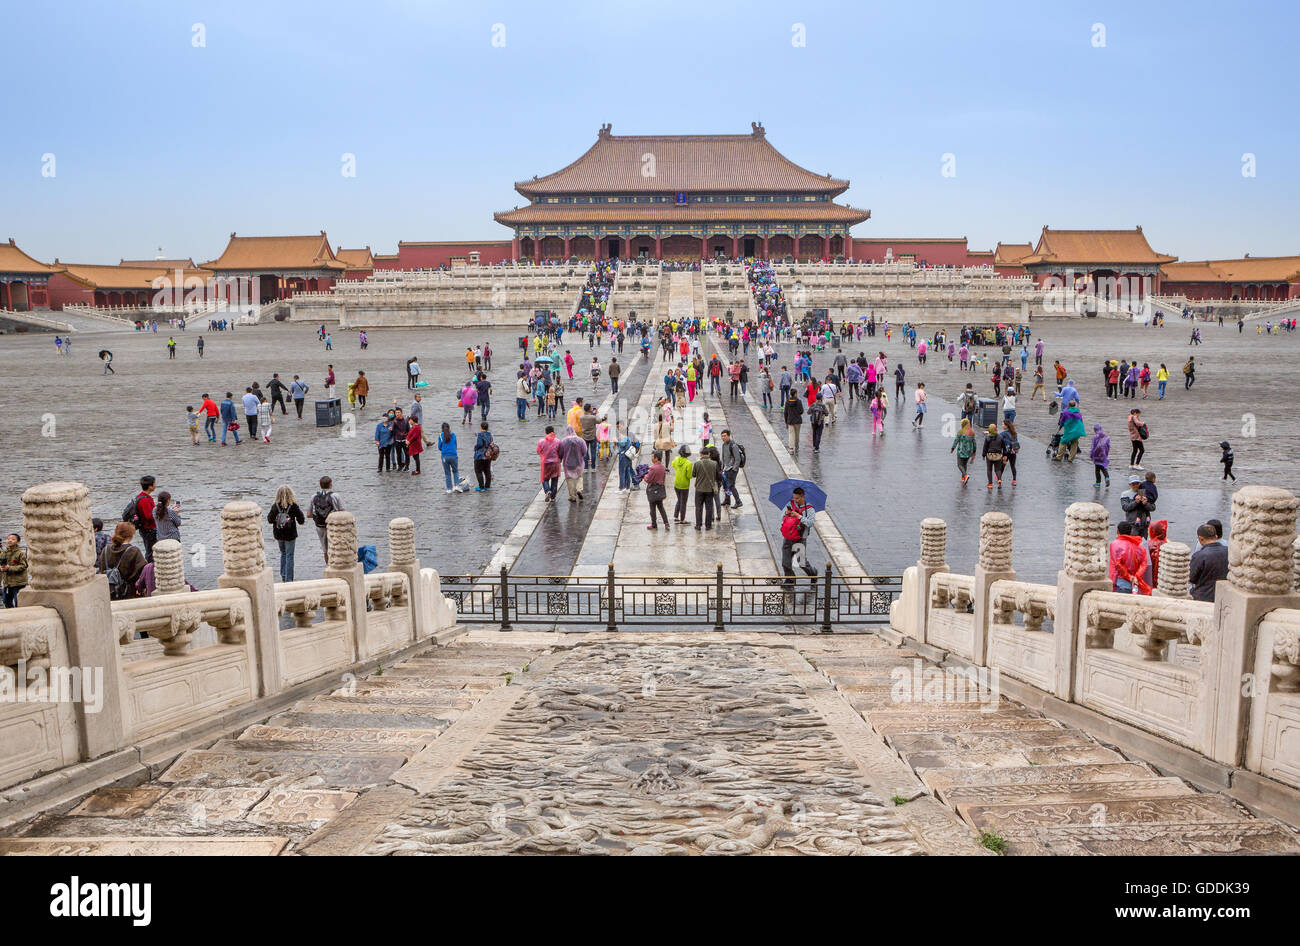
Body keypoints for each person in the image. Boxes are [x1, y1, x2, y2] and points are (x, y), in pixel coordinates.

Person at [779, 487, 819, 594]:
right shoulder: (790, 504)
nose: (795, 500)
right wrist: (787, 514)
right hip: (788, 537)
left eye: (797, 498)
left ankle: (813, 573)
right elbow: (782, 517)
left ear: (803, 496)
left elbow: (810, 523)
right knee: (785, 561)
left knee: (801, 562)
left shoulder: (810, 509)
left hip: (800, 539)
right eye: (794, 498)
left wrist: (799, 516)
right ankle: (790, 579)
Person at [267, 486, 305, 582]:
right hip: (290, 534)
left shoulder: (275, 506)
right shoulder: (293, 506)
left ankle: (283, 575)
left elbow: (269, 520)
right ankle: (289, 579)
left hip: (279, 534)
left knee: (283, 553)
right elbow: (301, 520)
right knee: (289, 555)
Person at [101, 523, 146, 600]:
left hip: (109, 590)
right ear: (131, 535)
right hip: (129, 591)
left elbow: (102, 568)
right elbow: (142, 572)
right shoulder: (134, 551)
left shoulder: (106, 550)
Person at [1108, 522, 1152, 594]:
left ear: (1117, 532)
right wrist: (1136, 576)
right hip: (1135, 583)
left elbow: (1116, 565)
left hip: (1120, 583)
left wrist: (1129, 577)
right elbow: (1144, 564)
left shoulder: (1114, 544)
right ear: (1131, 532)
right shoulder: (1140, 547)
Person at [1189, 523, 1229, 602]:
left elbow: (1191, 578)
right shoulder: (1229, 551)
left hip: (1203, 597)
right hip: (1225, 596)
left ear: (1200, 539)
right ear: (1216, 537)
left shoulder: (1199, 555)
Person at [692, 447, 719, 531]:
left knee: (698, 508)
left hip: (699, 489)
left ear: (701, 454)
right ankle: (708, 526)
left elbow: (693, 475)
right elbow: (717, 476)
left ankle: (698, 525)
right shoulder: (714, 464)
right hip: (709, 489)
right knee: (709, 508)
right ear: (709, 454)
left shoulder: (697, 464)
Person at [558, 425, 588, 502]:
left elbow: (560, 452)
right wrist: (582, 455)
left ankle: (572, 496)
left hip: (568, 463)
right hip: (579, 462)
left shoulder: (563, 441)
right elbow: (584, 450)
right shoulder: (580, 440)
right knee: (579, 477)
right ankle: (579, 489)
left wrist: (560, 458)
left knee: (569, 478)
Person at [437, 422, 469, 493]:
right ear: (449, 428)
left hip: (445, 456)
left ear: (442, 429)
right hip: (454, 455)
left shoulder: (441, 436)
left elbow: (439, 447)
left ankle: (449, 489)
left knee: (447, 473)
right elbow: (455, 445)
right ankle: (457, 486)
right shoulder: (453, 435)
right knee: (455, 471)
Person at [0, 533, 28, 608]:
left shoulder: (20, 553)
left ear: (18, 542)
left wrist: (9, 568)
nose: (10, 540)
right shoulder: (3, 553)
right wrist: (1, 568)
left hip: (18, 583)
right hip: (7, 583)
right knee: (6, 601)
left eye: (13, 539)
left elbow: (23, 566)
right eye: (8, 539)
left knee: (18, 601)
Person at [644, 451, 670, 530]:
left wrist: (644, 476)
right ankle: (666, 522)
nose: (651, 458)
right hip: (660, 490)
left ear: (656, 458)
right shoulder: (663, 467)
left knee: (652, 509)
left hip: (653, 490)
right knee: (661, 507)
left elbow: (648, 480)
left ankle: (654, 524)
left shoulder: (653, 468)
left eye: (652, 457)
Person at [718, 430, 744, 509]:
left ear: (729, 436)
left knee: (731, 485)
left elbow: (737, 459)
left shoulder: (733, 446)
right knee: (726, 485)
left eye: (725, 436)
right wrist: (722, 467)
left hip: (732, 469)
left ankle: (738, 501)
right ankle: (727, 500)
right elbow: (723, 457)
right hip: (726, 468)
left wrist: (734, 469)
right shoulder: (723, 445)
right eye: (722, 436)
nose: (723, 437)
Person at [536, 426, 562, 502]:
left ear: (546, 432)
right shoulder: (558, 441)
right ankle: (553, 497)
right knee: (554, 480)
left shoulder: (541, 441)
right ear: (553, 432)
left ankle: (547, 491)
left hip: (545, 463)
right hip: (555, 463)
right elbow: (560, 452)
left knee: (544, 479)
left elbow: (538, 451)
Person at [671, 445, 694, 523]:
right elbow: (689, 476)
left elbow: (673, 465)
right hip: (684, 485)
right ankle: (682, 519)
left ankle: (676, 516)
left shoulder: (676, 459)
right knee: (683, 502)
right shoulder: (689, 463)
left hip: (676, 484)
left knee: (679, 500)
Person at [951, 418, 976, 484]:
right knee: (964, 464)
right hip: (969, 451)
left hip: (961, 450)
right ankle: (963, 478)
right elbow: (974, 442)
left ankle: (965, 475)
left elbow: (956, 440)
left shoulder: (960, 432)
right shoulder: (971, 432)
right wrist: (974, 451)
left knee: (959, 464)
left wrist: (953, 448)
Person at [981, 423, 1006, 488]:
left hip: (990, 456)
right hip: (998, 456)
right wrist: (1004, 455)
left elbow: (985, 447)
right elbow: (1004, 447)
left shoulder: (987, 438)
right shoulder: (1000, 437)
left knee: (989, 469)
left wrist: (983, 455)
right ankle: (999, 479)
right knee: (998, 470)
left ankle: (990, 484)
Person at [473, 421, 494, 490]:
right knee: (487, 470)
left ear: (481, 427)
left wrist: (475, 447)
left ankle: (481, 486)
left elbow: (479, 444)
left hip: (480, 455)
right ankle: (487, 486)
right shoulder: (490, 435)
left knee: (478, 471)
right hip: (488, 455)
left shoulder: (480, 435)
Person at [1090, 423, 1111, 487]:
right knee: (1103, 467)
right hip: (1103, 454)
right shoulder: (1107, 436)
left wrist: (1091, 455)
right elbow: (1108, 446)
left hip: (1096, 455)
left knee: (1097, 470)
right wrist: (1106, 454)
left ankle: (1098, 483)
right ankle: (1107, 478)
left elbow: (1093, 447)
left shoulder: (1095, 437)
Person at [1000, 419, 1020, 485]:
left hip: (1006, 453)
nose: (1002, 425)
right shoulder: (1014, 432)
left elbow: (997, 438)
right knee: (1013, 466)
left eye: (1003, 424)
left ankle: (999, 478)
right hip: (1013, 452)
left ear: (1006, 426)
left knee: (1003, 465)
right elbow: (1016, 441)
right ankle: (1014, 480)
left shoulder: (1003, 433)